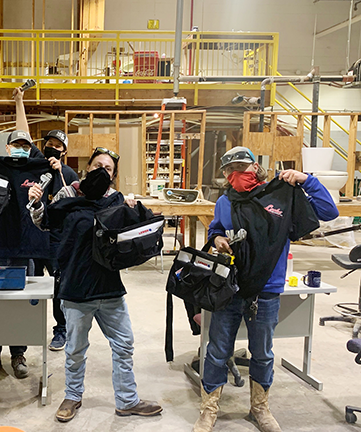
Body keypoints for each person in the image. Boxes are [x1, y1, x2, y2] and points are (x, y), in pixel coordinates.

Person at [192, 146, 338, 432]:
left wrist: (306, 180)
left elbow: (328, 211)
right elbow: (215, 230)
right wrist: (218, 237)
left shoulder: (281, 194)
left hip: (267, 289)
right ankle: (208, 410)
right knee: (218, 351)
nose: (238, 175)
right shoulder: (225, 201)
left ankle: (260, 408)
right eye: (230, 171)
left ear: (256, 167)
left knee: (263, 353)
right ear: (225, 176)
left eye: (243, 168)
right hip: (231, 287)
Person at [28, 147, 163, 422]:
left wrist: (135, 210)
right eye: (97, 165)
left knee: (124, 345)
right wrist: (36, 203)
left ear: (114, 176)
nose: (102, 171)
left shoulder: (117, 202)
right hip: (76, 289)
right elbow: (44, 222)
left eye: (109, 168)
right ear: (87, 168)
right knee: (75, 349)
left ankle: (127, 400)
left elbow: (142, 237)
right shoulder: (69, 197)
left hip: (109, 288)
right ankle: (72, 396)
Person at [0, 87, 51, 380]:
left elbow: (24, 130)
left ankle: (18, 354)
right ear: (7, 148)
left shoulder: (39, 165)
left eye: (24, 145)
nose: (20, 148)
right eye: (15, 144)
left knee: (21, 303)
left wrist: (55, 167)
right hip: (0, 245)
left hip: (28, 246)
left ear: (31, 150)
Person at [33, 130, 79, 351]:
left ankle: (61, 330)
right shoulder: (34, 169)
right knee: (30, 286)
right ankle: (26, 332)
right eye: (49, 143)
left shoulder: (69, 174)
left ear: (64, 151)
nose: (52, 147)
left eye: (58, 145)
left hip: (56, 240)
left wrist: (60, 174)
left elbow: (73, 204)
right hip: (32, 238)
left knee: (58, 286)